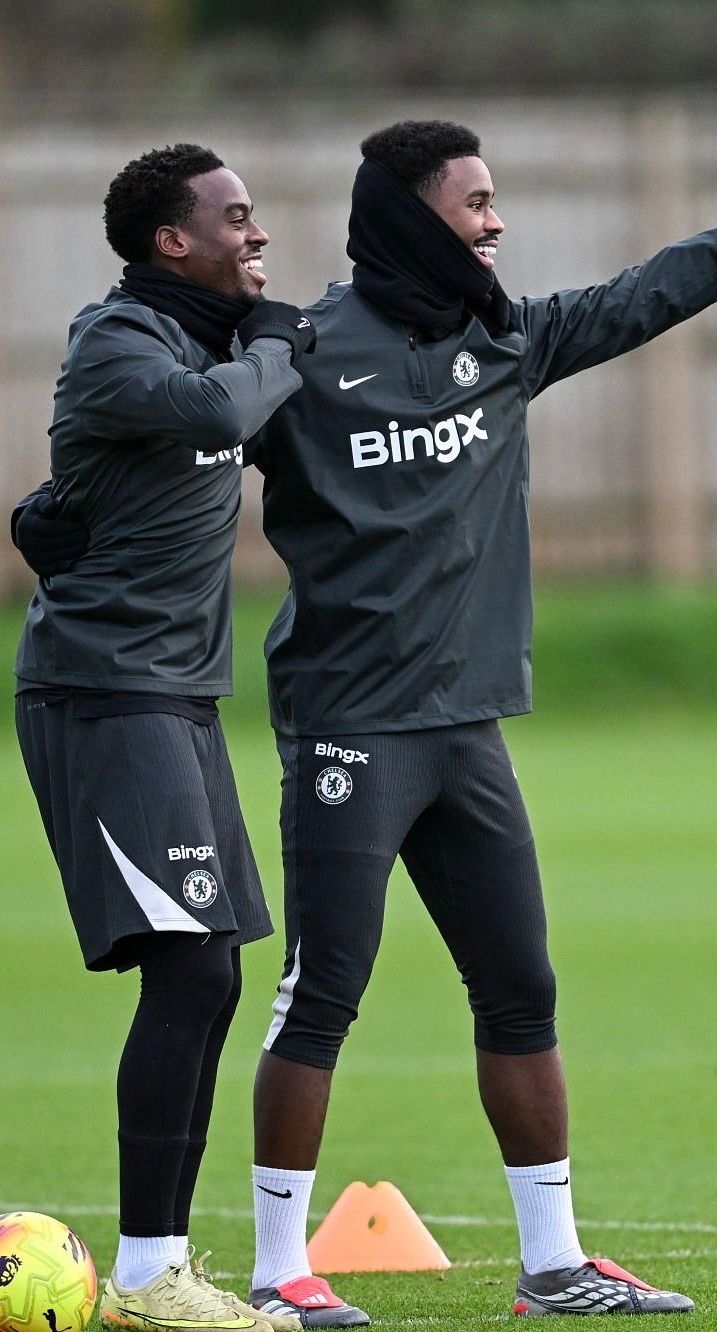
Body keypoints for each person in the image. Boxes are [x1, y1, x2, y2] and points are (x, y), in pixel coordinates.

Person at [18, 121, 717, 1323]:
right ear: (409, 215)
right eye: (474, 202)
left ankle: (552, 1264)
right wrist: (55, 513)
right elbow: (169, 432)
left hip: (466, 726)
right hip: (344, 725)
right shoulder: (295, 347)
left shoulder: (509, 340)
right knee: (319, 993)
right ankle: (280, 1269)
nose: (496, 222)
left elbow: (665, 284)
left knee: (521, 985)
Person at [11, 142, 314, 1332]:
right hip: (102, 692)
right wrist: (276, 345)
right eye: (235, 218)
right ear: (171, 240)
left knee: (216, 967)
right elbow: (212, 411)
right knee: (187, 969)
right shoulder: (120, 339)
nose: (257, 234)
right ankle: (146, 1276)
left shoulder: (217, 337)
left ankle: (158, 1271)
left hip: (178, 696)